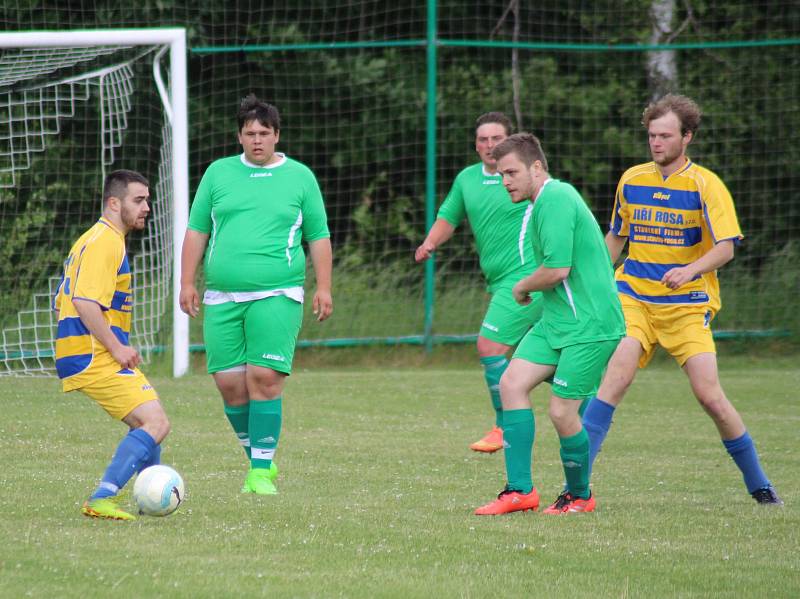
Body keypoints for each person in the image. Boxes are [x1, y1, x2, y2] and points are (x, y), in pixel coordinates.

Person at [581, 94, 782, 504]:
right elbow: (617, 236)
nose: (656, 143)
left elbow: (726, 246)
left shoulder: (705, 185)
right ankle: (575, 488)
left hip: (688, 305)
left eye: (665, 135)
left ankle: (760, 486)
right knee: (614, 379)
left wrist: (691, 270)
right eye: (652, 135)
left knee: (709, 396)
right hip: (634, 296)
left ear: (686, 137)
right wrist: (595, 280)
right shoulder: (633, 179)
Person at [179, 94, 333, 496]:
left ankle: (261, 472)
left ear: (277, 135)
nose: (258, 140)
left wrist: (324, 287)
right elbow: (197, 230)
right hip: (223, 296)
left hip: (277, 292)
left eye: (265, 133)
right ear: (239, 137)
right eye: (250, 134)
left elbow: (318, 236)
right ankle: (259, 459)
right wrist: (187, 282)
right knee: (230, 383)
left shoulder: (300, 177)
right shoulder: (218, 173)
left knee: (263, 378)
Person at [474, 133, 625, 516]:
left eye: (511, 172)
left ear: (537, 168)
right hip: (558, 321)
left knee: (561, 413)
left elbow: (558, 270)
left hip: (589, 325)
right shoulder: (540, 203)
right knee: (511, 384)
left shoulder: (555, 199)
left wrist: (522, 287)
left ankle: (580, 496)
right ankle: (519, 491)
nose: (505, 181)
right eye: (501, 173)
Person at [415, 112, 542, 453]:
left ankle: (505, 426)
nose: (490, 145)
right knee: (553, 353)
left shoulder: (525, 177)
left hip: (526, 278)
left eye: (497, 138)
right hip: (500, 281)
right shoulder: (467, 179)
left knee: (490, 347)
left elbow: (551, 206)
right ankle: (577, 416)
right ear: (475, 145)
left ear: (510, 140)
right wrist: (429, 243)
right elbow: (448, 217)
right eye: (483, 139)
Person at [53, 169, 171, 521]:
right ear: (114, 202)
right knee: (156, 423)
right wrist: (116, 347)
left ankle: (149, 499)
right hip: (94, 354)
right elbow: (86, 301)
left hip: (85, 351)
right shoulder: (105, 241)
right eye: (139, 200)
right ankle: (102, 496)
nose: (146, 207)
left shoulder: (96, 238)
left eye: (147, 200)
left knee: (148, 422)